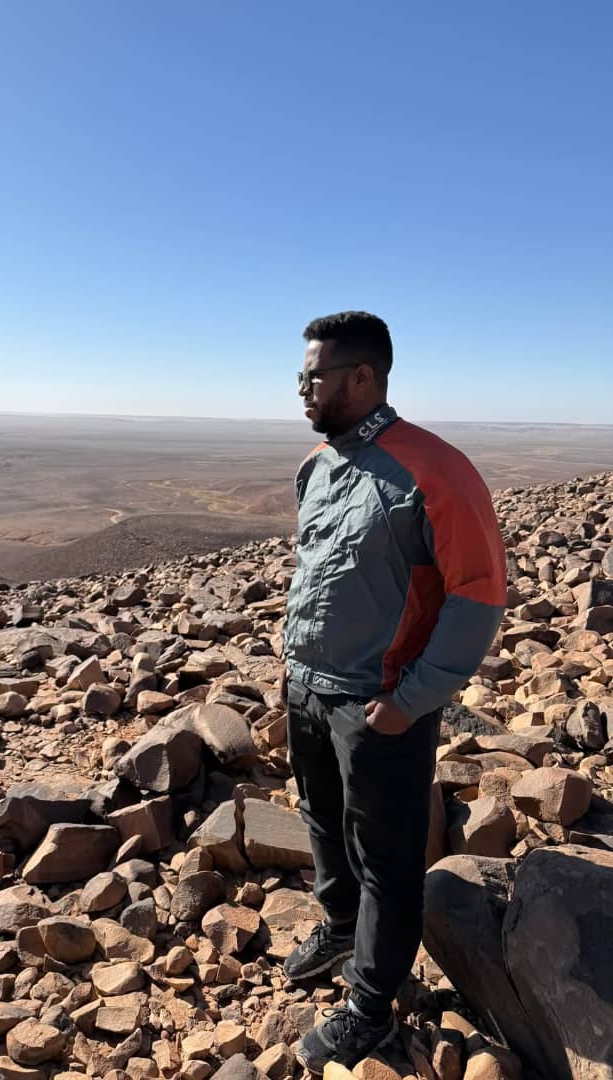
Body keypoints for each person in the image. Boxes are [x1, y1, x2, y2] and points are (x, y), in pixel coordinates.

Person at [281, 311, 507, 1072]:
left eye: (311, 377)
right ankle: (342, 926)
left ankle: (371, 1005)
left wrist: (408, 700)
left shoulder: (433, 469)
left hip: (378, 700)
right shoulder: (319, 464)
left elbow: (476, 597)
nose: (299, 390)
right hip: (309, 686)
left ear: (362, 377)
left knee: (387, 855)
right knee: (320, 819)